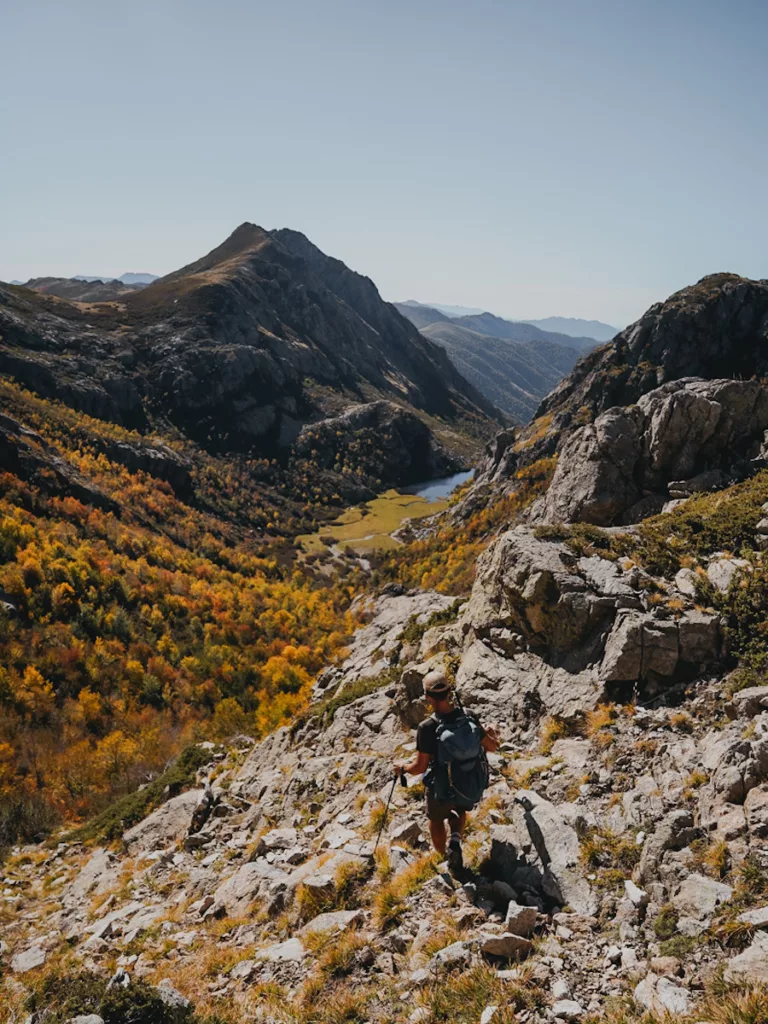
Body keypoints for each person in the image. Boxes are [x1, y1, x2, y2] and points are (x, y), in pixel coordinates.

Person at [395, 669, 499, 873]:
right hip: (468, 780)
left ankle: (443, 856)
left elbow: (420, 767)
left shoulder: (427, 727)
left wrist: (402, 768)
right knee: (460, 809)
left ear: (427, 697)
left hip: (442, 784)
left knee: (435, 819)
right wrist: (491, 733)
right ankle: (456, 840)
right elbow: (492, 746)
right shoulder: (468, 716)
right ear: (450, 691)